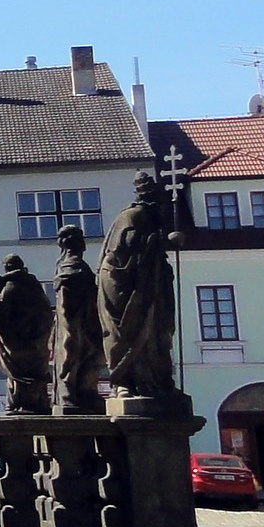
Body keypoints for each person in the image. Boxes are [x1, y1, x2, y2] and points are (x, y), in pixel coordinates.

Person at [99, 172, 180, 401]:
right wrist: (160, 243)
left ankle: (157, 382)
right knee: (126, 333)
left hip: (148, 287)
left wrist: (162, 245)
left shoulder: (149, 221)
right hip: (124, 287)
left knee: (157, 334)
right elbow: (121, 254)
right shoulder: (133, 217)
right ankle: (123, 382)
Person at [0, 255, 54, 414]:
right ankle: (36, 401)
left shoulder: (12, 287)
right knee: (36, 373)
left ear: (7, 268)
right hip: (38, 340)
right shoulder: (35, 287)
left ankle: (23, 404)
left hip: (20, 343)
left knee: (21, 375)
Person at [54, 224, 103, 413]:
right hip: (75, 322)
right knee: (73, 353)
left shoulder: (76, 266)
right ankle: (71, 394)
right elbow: (67, 303)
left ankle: (83, 391)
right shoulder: (72, 266)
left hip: (83, 320)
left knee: (85, 354)